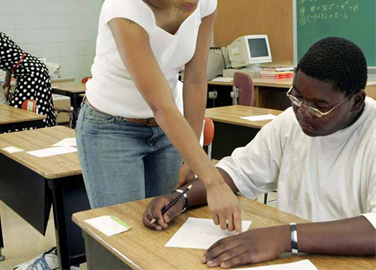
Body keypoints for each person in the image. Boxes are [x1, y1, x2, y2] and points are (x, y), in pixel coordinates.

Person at [143, 37, 376, 268]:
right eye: (297, 97)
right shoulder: (289, 124)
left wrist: (283, 238)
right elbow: (237, 172)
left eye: (319, 106)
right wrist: (181, 198)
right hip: (294, 259)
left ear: (356, 102)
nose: (303, 112)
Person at [76, 0, 239, 229]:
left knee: (163, 222)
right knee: (123, 232)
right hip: (111, 129)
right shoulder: (125, 8)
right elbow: (160, 103)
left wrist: (193, 157)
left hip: (166, 131)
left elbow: (195, 78)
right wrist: (212, 180)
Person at [0, 17, 56, 127]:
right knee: (33, 104)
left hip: (31, 73)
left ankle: (32, 131)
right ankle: (38, 129)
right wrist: (7, 82)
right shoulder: (0, 36)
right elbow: (11, 63)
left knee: (19, 108)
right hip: (33, 70)